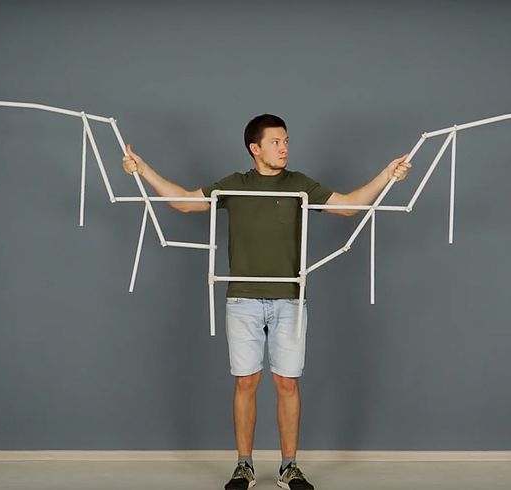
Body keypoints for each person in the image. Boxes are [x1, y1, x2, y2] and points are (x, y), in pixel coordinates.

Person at [122, 114, 411, 490]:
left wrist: (387, 175)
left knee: (287, 383)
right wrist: (143, 170)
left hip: (290, 299)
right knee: (245, 382)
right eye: (276, 142)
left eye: (287, 140)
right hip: (242, 298)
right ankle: (244, 465)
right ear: (254, 148)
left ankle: (289, 467)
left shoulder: (299, 184)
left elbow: (350, 206)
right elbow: (185, 203)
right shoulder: (235, 185)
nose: (285, 147)